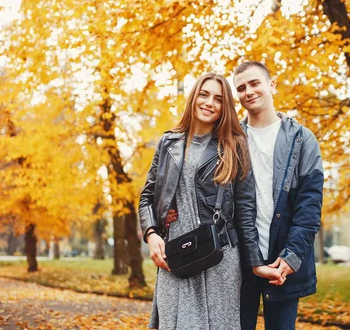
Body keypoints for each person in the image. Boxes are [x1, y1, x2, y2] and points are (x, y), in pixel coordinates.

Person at [138, 72, 280, 330]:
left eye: (218, 99)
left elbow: (245, 211)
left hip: (220, 258)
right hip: (176, 255)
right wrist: (151, 233)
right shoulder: (168, 143)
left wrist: (256, 263)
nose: (209, 103)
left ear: (225, 107)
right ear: (194, 98)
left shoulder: (235, 146)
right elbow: (147, 196)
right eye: (204, 95)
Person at [233, 61, 324, 330]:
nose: (248, 91)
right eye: (240, 88)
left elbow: (309, 207)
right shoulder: (230, 139)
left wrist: (291, 257)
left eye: (254, 83)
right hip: (239, 262)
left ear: (271, 85)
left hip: (283, 262)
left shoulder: (302, 139)